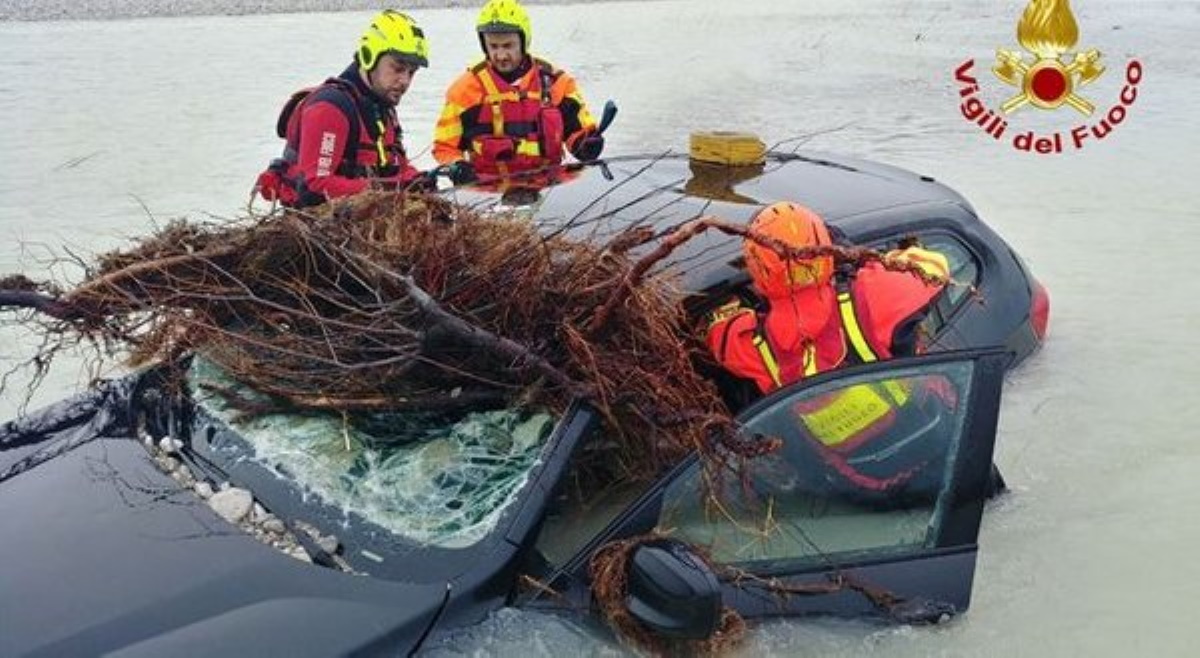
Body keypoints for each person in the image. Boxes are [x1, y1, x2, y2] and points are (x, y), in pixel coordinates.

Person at [706, 202, 950, 395]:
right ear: (826, 249)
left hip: (841, 458)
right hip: (916, 436)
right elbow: (936, 268)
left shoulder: (752, 344)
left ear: (757, 274)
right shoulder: (872, 292)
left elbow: (715, 331)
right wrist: (861, 258)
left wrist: (734, 303)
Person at [255, 10, 433, 208]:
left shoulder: (383, 107)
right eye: (398, 68)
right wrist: (393, 189)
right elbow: (314, 188)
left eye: (412, 72)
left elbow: (397, 168)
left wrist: (420, 181)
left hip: (362, 217)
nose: (405, 81)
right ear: (369, 57)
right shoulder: (330, 108)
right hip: (321, 226)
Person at [432, 0, 605, 185]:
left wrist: (586, 145)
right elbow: (444, 146)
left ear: (523, 42)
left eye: (508, 46)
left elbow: (578, 132)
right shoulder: (464, 90)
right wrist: (457, 166)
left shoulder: (557, 83)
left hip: (548, 190)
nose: (501, 55)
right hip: (490, 193)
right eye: (493, 47)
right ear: (484, 45)